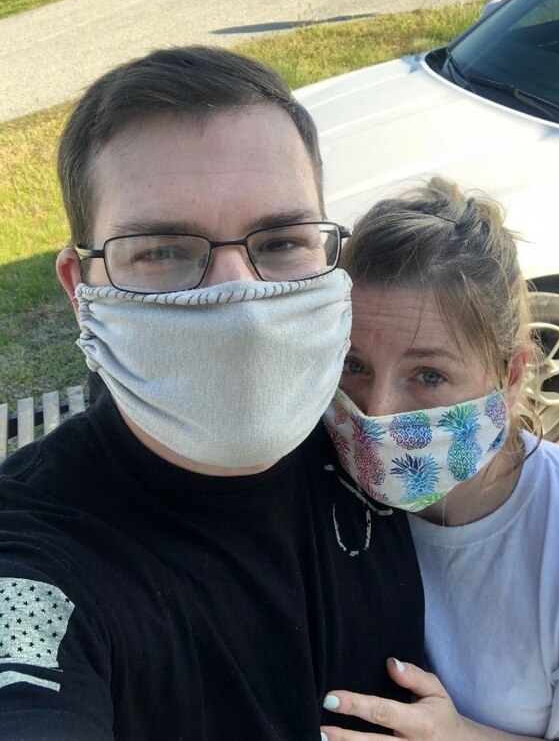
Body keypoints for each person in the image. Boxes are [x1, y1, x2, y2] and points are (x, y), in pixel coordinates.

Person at [0, 46, 425, 739]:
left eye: (283, 240)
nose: (242, 299)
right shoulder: (33, 554)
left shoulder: (379, 436)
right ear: (83, 291)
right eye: (163, 251)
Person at [320, 177, 559, 740]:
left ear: (511, 376)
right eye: (354, 365)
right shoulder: (313, 482)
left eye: (429, 375)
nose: (378, 412)